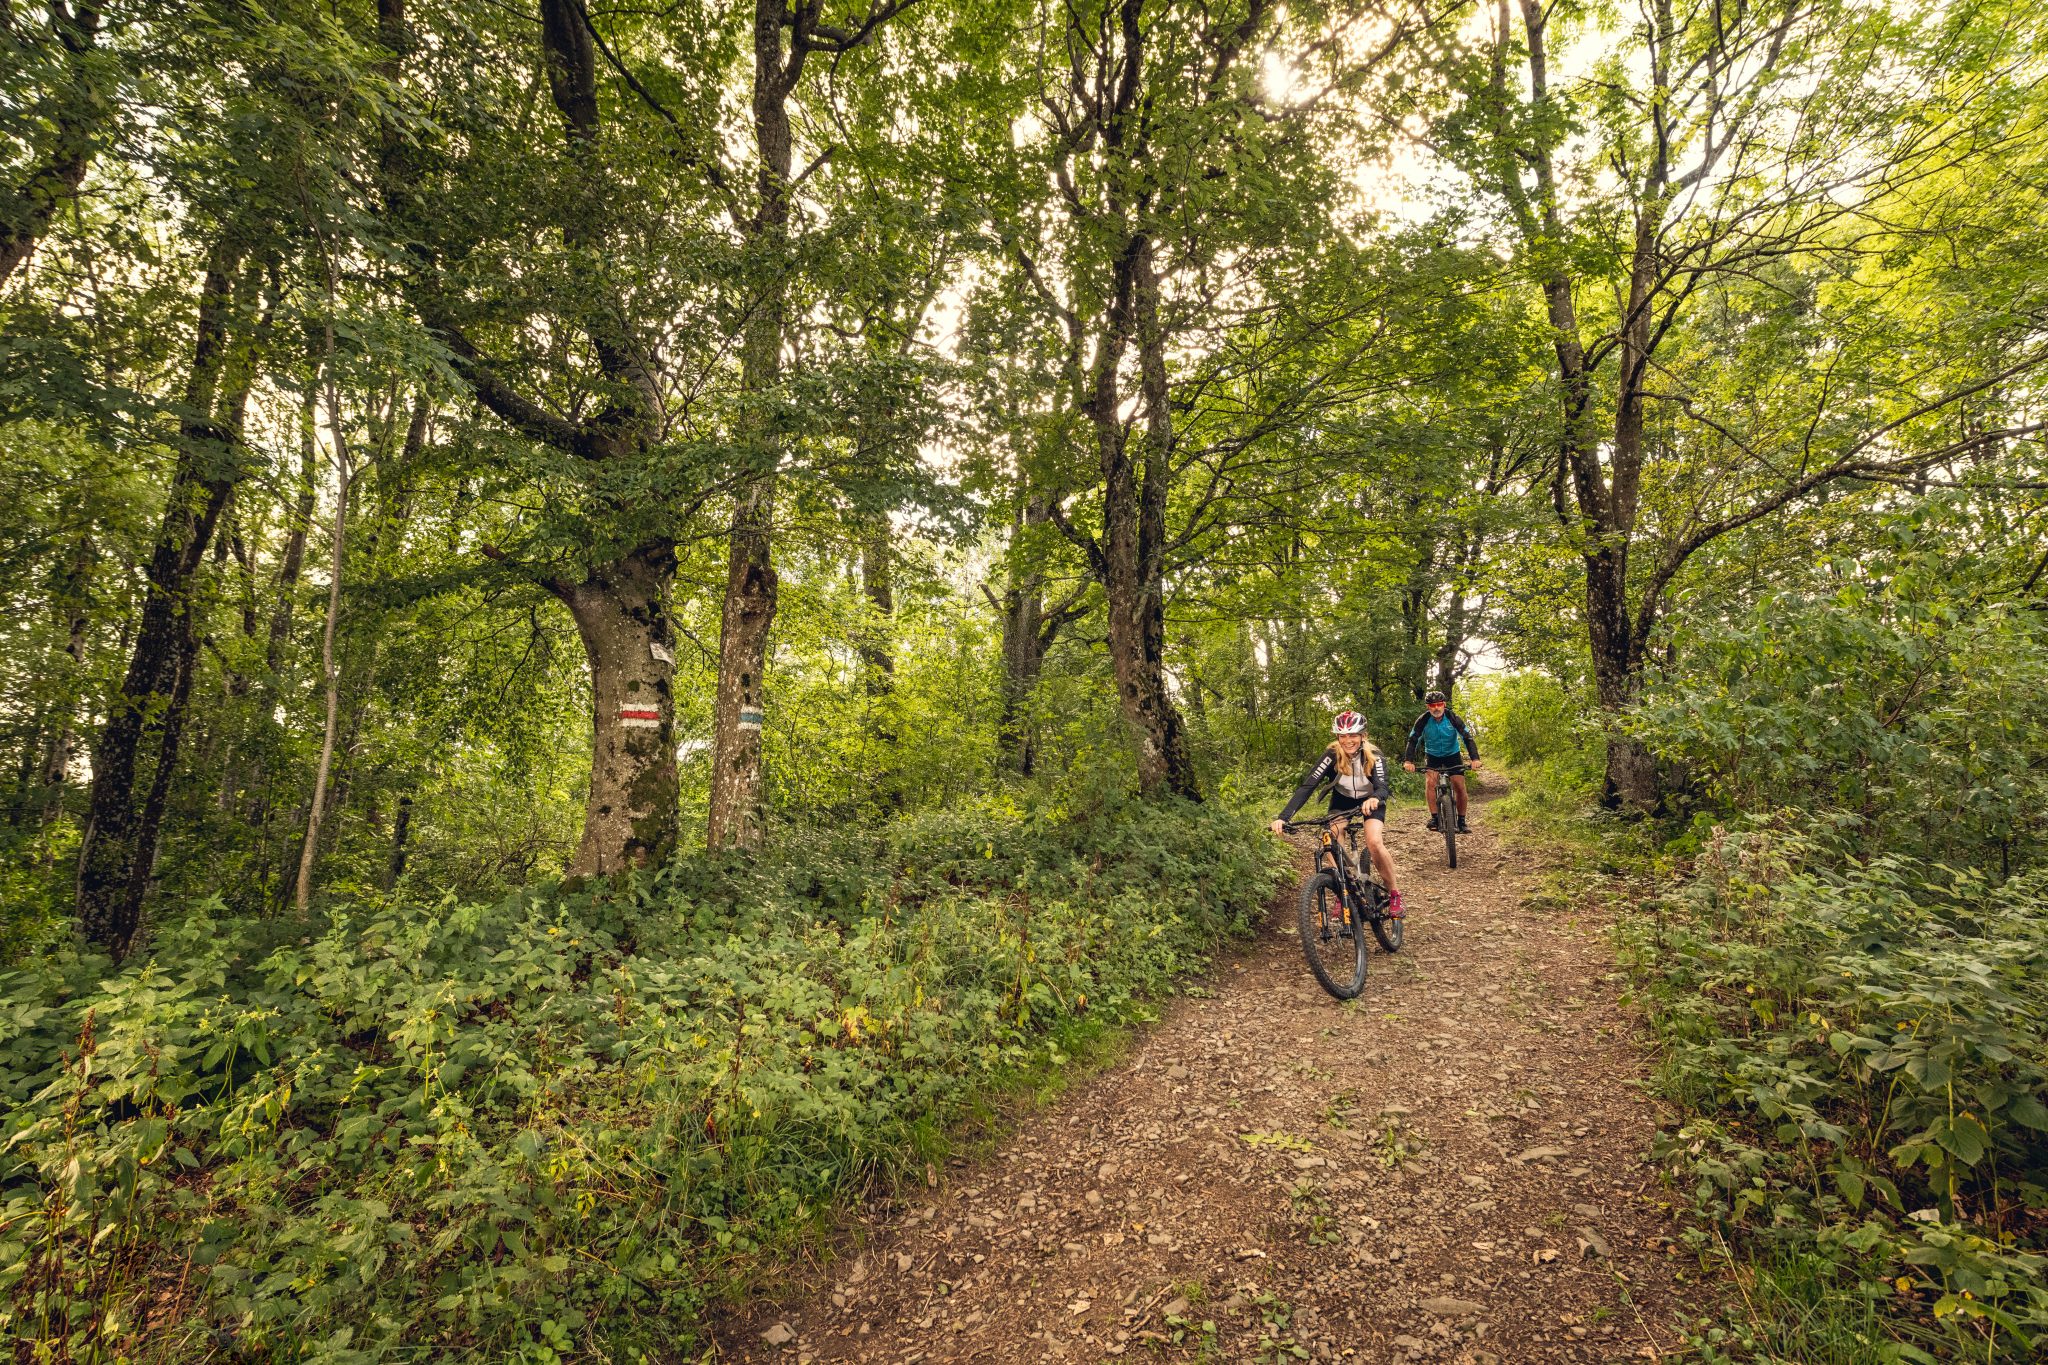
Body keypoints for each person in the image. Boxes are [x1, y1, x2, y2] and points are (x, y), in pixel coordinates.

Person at [1269, 710, 1406, 919]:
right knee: (1331, 838)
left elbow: (1382, 786)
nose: (1348, 740)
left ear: (1363, 736)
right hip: (1342, 800)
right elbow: (1308, 786)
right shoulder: (1331, 755)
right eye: (1343, 736)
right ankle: (1343, 891)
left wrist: (1374, 799)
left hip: (1371, 800)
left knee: (1374, 842)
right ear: (1337, 737)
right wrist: (1284, 817)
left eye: (1353, 735)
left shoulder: (1374, 755)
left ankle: (1395, 894)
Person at [1402, 689, 1481, 833]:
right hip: (1433, 755)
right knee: (1430, 783)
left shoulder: (1453, 717)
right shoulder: (1423, 720)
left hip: (1452, 754)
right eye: (1432, 705)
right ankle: (1435, 818)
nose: (1436, 708)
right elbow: (1413, 739)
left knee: (1459, 786)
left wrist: (1475, 759)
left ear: (1444, 704)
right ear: (1428, 707)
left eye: (1439, 704)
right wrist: (1408, 761)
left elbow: (1467, 737)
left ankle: (1461, 821)